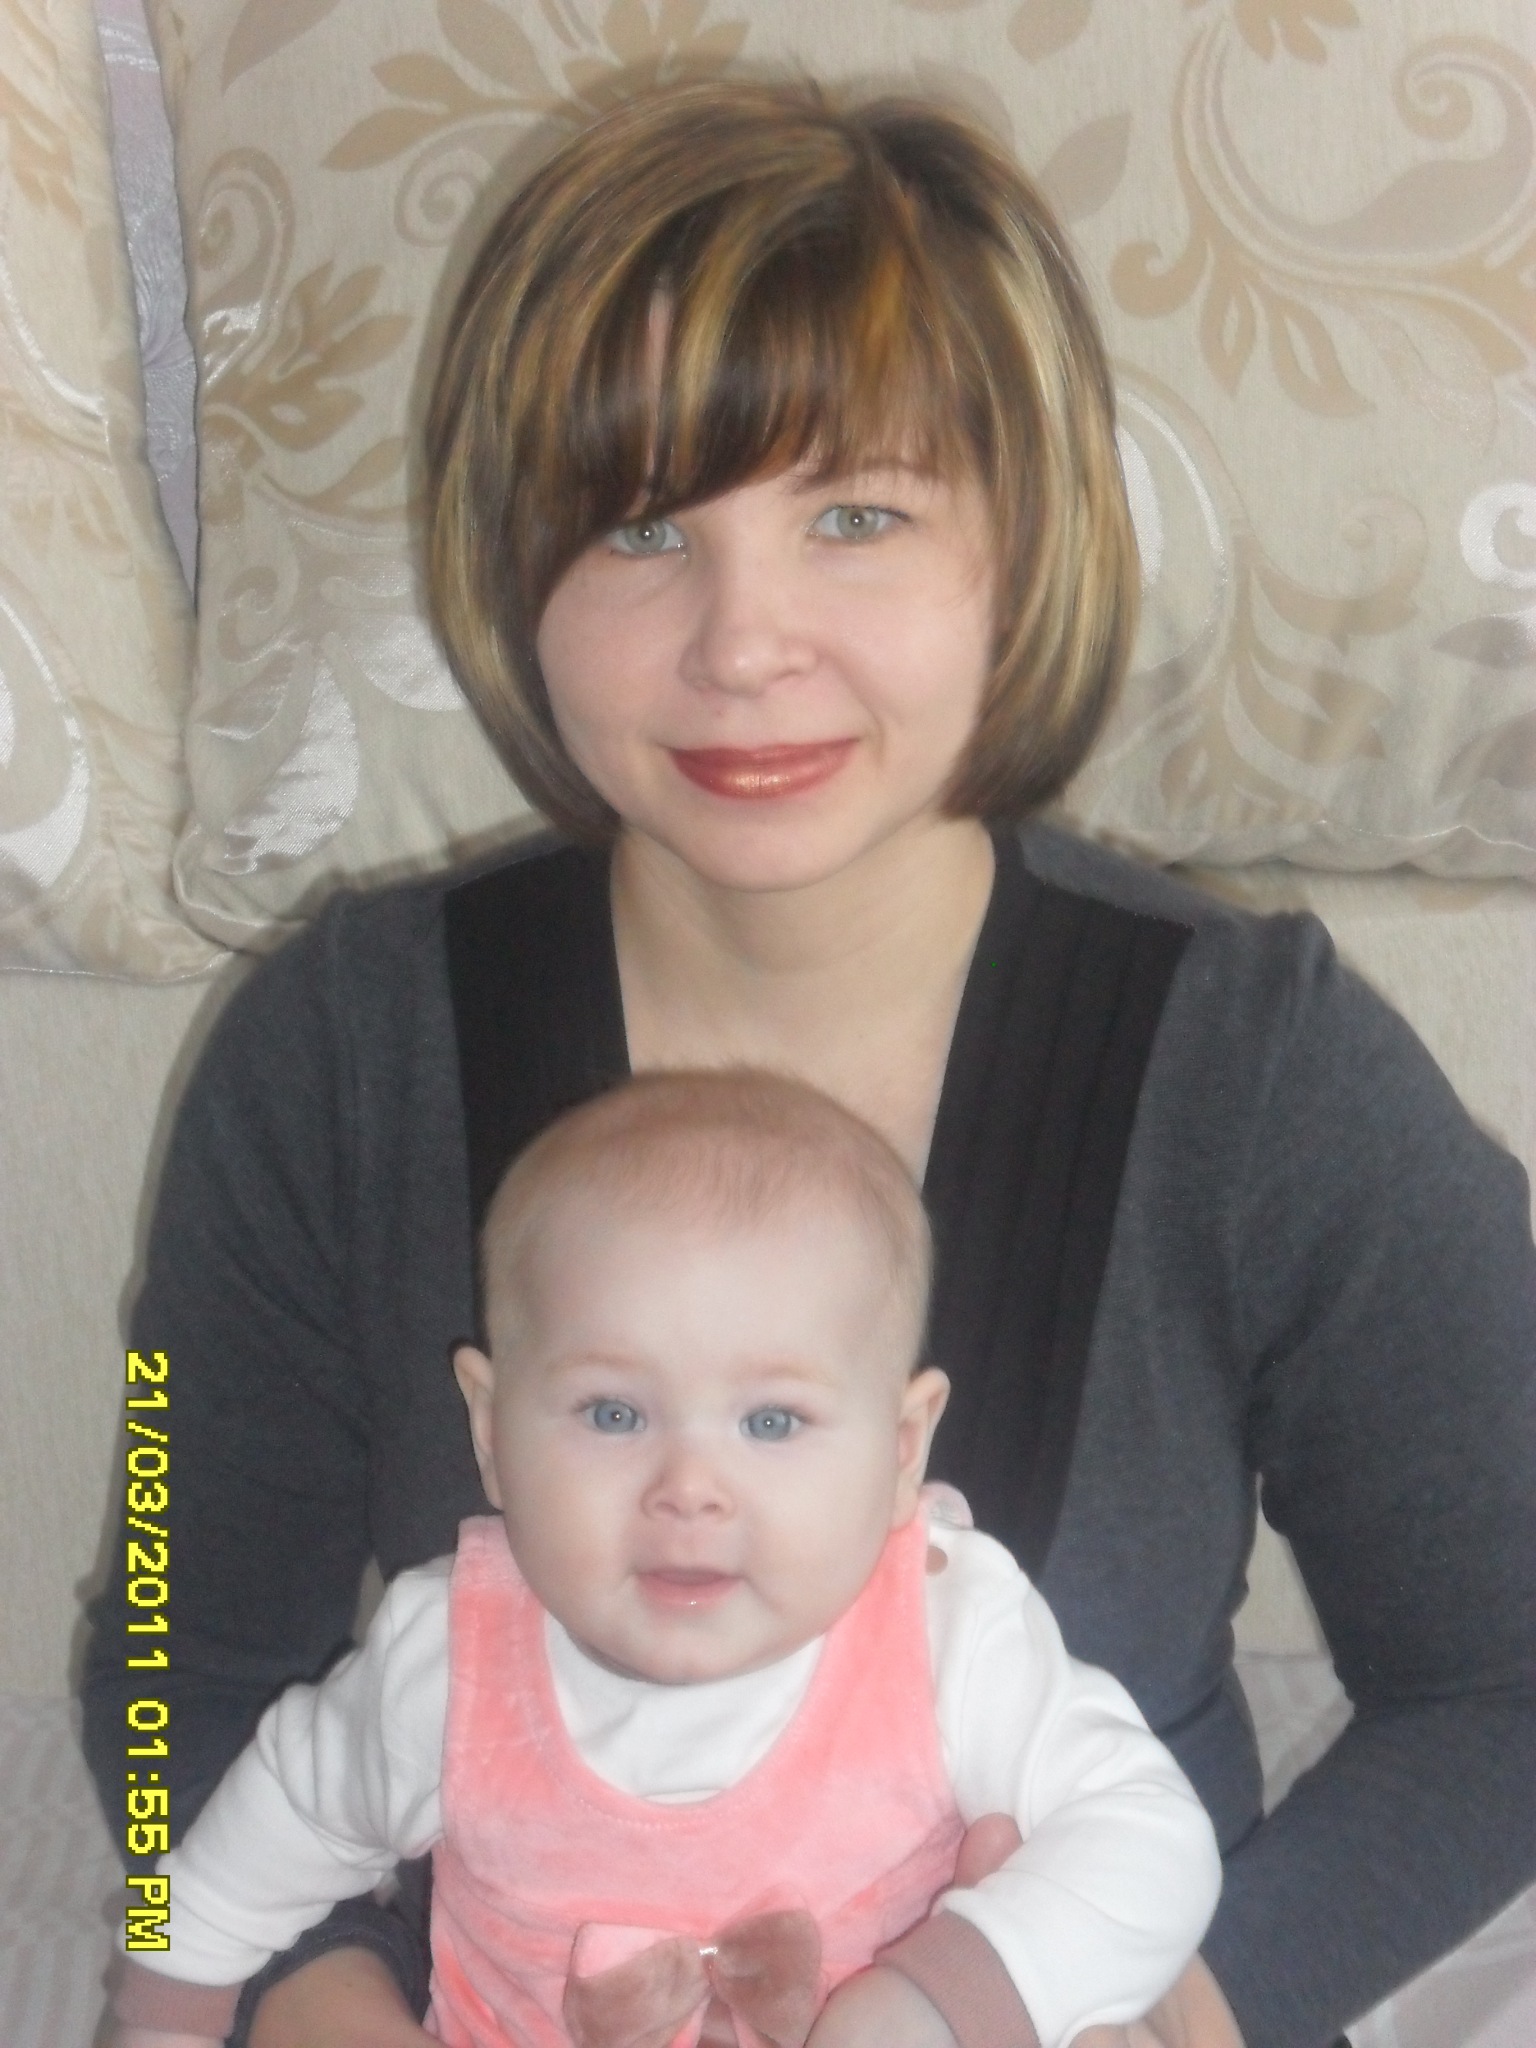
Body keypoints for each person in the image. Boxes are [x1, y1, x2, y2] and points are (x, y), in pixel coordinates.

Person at [82, 75, 1535, 2048]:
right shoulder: (332, 1055)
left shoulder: (1265, 1076)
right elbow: (167, 1650)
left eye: (857, 515)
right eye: (640, 526)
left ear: (1020, 546)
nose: (743, 643)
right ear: (517, 573)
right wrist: (300, 1998)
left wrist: (1194, 2007)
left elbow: (1507, 1678)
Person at [108, 1069, 1223, 2048]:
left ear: (901, 1448)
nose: (689, 1486)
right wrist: (155, 2012)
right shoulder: (446, 1662)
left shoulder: (948, 1630)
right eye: (613, 1412)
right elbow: (238, 1852)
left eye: (773, 1421)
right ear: (491, 1431)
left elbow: (1151, 1832)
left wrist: (947, 2000)